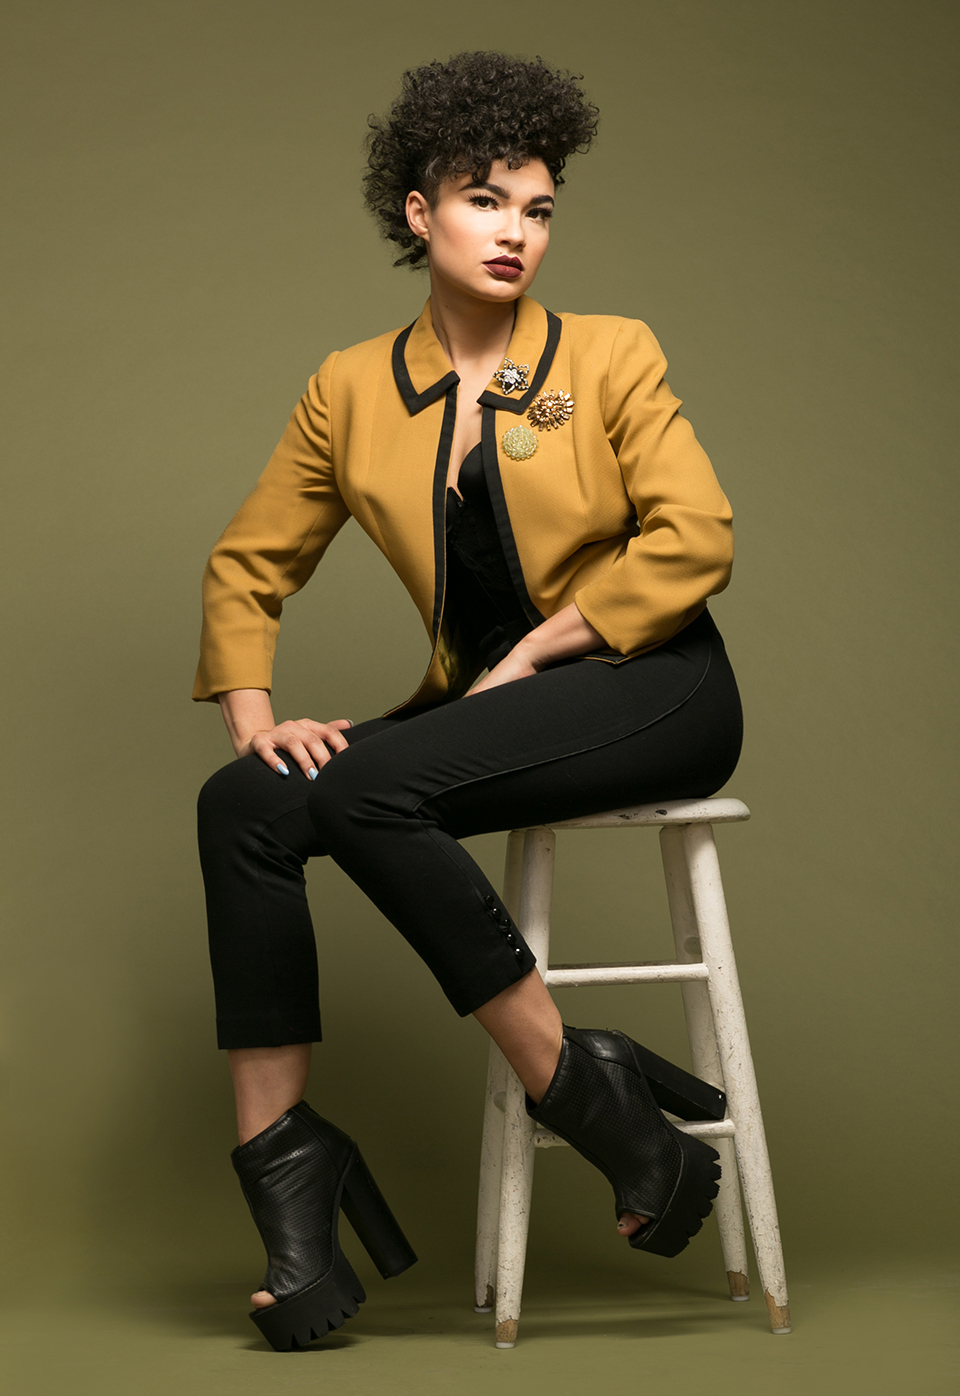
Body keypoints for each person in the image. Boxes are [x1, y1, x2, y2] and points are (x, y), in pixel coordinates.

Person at [195, 51, 743, 1352]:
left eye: (538, 209)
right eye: (486, 201)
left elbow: (697, 537)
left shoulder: (609, 354)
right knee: (244, 807)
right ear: (420, 210)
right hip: (476, 711)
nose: (515, 233)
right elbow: (248, 564)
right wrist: (256, 719)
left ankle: (579, 1088)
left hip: (650, 685)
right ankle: (288, 1173)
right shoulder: (349, 388)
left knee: (374, 791)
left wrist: (540, 649)